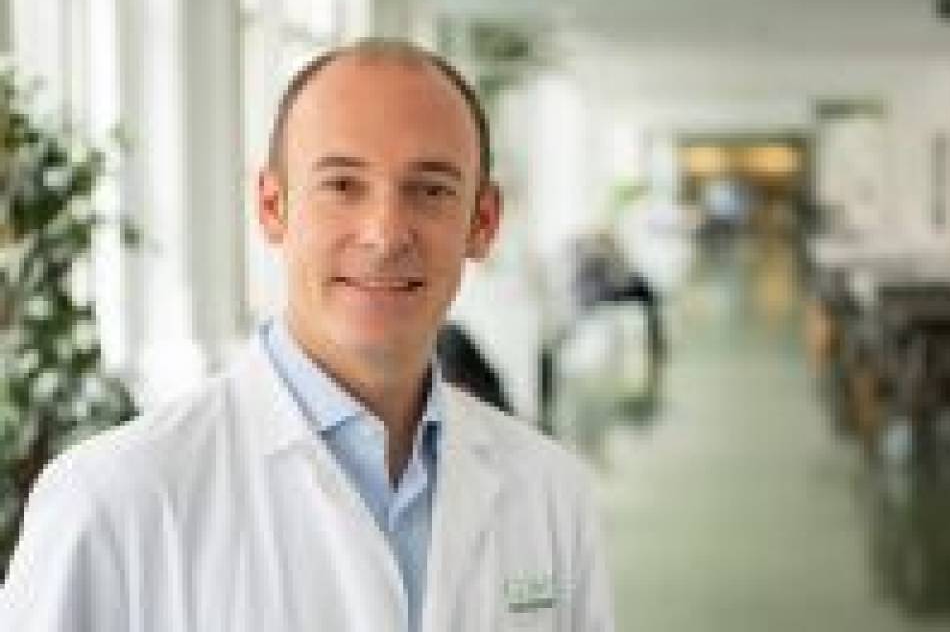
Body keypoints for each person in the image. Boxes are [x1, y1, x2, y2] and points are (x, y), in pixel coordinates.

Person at [0, 39, 614, 631]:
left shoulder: (551, 494)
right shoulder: (112, 501)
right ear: (273, 207)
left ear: (482, 222)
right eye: (342, 185)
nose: (385, 233)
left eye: (430, 190)